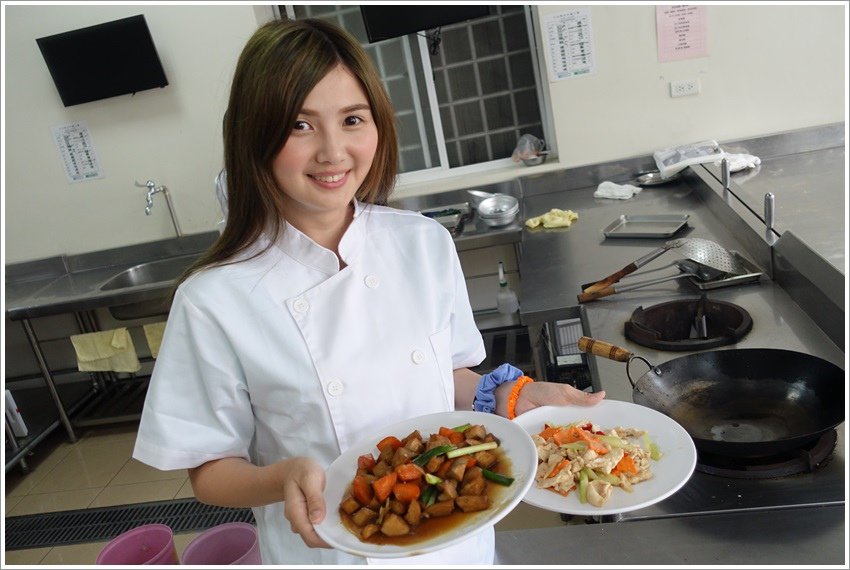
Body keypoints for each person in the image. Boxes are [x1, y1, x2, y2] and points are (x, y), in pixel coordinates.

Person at [132, 18, 605, 565]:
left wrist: (517, 397)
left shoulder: (423, 242)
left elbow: (438, 376)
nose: (333, 152)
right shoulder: (214, 298)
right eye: (300, 126)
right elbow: (209, 472)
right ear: (252, 138)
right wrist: (281, 477)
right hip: (327, 551)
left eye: (352, 119)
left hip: (456, 544)